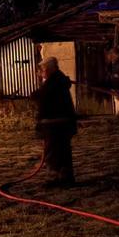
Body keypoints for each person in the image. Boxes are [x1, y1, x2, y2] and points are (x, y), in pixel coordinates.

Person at [31, 57, 77, 187]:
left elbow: (41, 95)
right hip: (61, 121)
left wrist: (34, 95)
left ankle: (56, 177)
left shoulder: (54, 81)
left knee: (53, 152)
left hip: (54, 123)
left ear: (49, 69)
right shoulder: (58, 79)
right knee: (63, 151)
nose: (41, 72)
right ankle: (65, 177)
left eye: (43, 69)